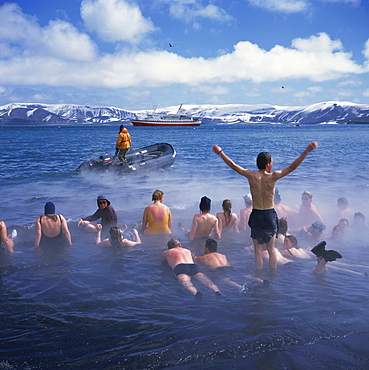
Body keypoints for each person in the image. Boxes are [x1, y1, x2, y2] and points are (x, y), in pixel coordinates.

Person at [212, 141, 318, 271]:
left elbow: (233, 165)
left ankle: (259, 276)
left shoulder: (251, 176)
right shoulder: (273, 177)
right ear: (268, 164)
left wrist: (220, 152)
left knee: (258, 250)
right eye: (271, 162)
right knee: (271, 249)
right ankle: (272, 277)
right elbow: (292, 167)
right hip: (269, 214)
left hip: (256, 214)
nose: (272, 164)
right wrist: (306, 151)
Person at [195, 238, 268, 292]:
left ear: (207, 249)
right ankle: (261, 281)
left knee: (225, 280)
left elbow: (196, 259)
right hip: (230, 267)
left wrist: (193, 255)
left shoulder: (205, 257)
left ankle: (240, 287)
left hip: (219, 269)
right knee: (245, 275)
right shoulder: (223, 256)